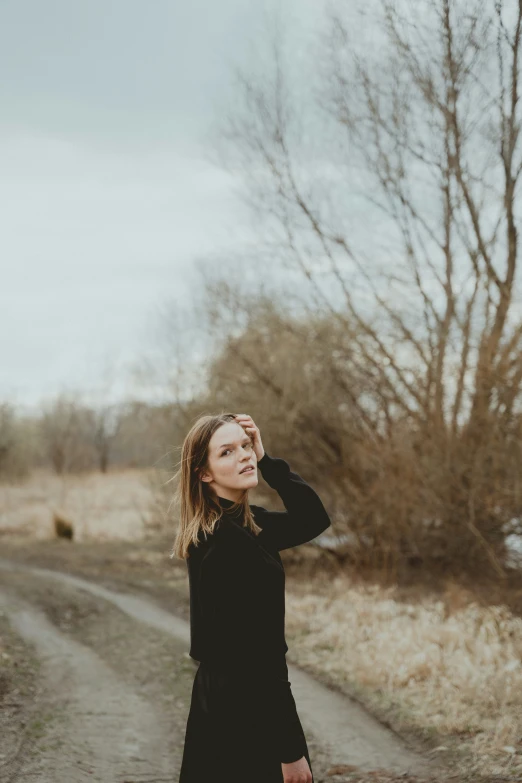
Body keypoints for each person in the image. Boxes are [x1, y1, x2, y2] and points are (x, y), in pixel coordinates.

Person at [171, 411, 331, 783]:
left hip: (226, 699)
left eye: (245, 446)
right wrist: (289, 750)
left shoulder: (244, 525)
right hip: (243, 708)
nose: (243, 455)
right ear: (204, 473)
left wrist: (266, 459)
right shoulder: (228, 543)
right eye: (226, 452)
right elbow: (259, 656)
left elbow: (313, 519)